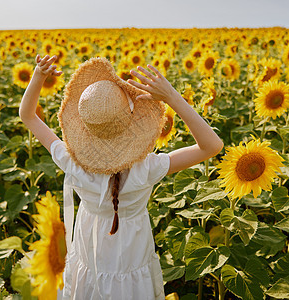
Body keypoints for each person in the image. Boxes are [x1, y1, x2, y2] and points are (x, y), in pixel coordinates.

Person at [19, 54, 224, 299]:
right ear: (130, 120)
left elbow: (28, 115)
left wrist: (39, 75)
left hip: (90, 254)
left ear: (86, 126)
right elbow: (212, 146)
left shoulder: (73, 161)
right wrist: (172, 98)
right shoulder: (145, 168)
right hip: (133, 256)